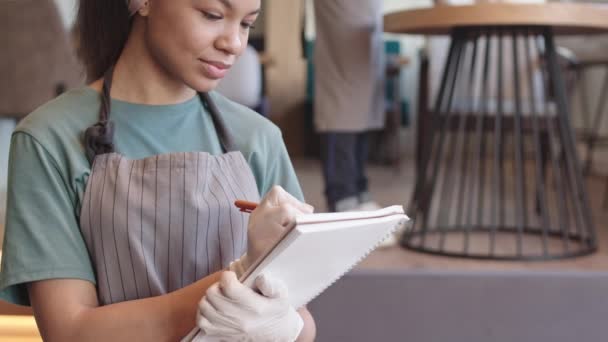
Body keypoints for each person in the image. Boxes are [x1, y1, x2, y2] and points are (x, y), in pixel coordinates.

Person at [0, 0, 316, 340]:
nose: (234, 44)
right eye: (212, 15)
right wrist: (236, 281)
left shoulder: (258, 137)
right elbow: (70, 331)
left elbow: (303, 322)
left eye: (246, 24)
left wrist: (286, 328)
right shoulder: (49, 139)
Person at [313, 0, 386, 213]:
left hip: (367, 16)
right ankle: (343, 195)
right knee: (341, 104)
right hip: (341, 14)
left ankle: (358, 190)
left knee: (362, 106)